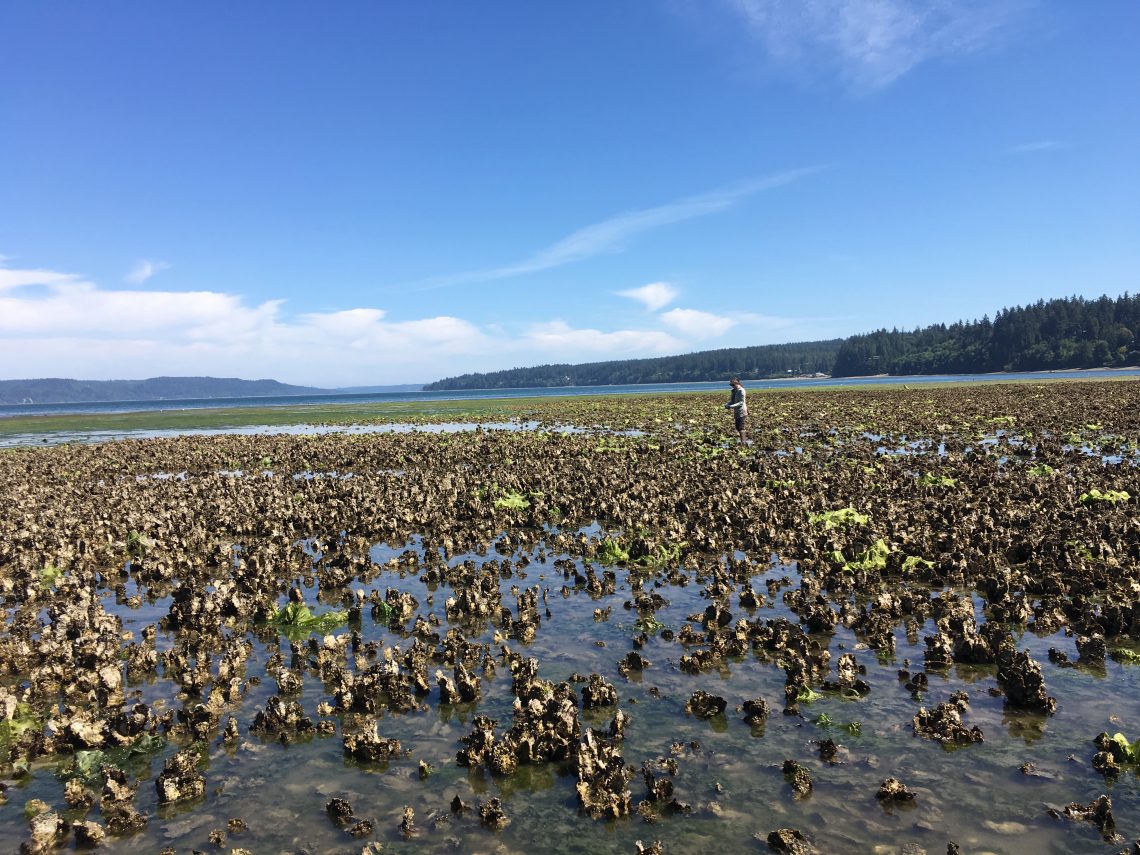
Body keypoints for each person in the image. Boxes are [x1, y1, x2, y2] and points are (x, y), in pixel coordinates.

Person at [725, 377, 747, 443]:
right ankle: (743, 441)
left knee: (741, 427)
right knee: (737, 427)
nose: (732, 386)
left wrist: (730, 406)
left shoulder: (741, 390)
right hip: (736, 411)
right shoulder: (734, 391)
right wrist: (727, 404)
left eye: (733, 385)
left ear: (737, 383)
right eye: (731, 385)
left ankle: (743, 443)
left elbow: (741, 402)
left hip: (741, 411)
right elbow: (732, 401)